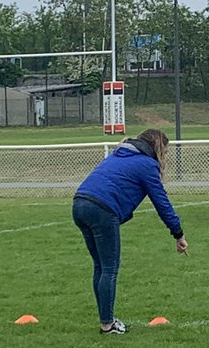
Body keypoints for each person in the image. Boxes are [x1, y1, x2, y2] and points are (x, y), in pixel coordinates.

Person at [73, 129, 187, 334]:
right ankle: (107, 325)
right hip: (102, 209)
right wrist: (178, 233)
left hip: (80, 202)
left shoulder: (119, 154)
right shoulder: (147, 164)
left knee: (100, 266)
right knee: (109, 268)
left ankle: (106, 319)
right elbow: (162, 202)